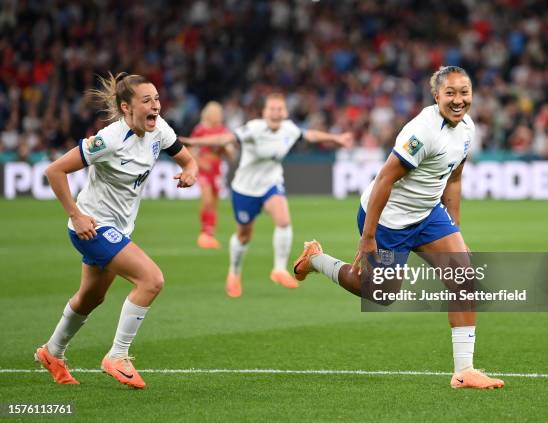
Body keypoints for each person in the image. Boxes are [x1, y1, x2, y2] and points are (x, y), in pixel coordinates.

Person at [294, 66, 505, 389]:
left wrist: (455, 232)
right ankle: (316, 260)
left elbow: (455, 177)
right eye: (450, 93)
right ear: (437, 96)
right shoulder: (422, 132)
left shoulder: (467, 129)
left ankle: (465, 372)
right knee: (379, 293)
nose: (458, 99)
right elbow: (384, 180)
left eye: (464, 92)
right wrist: (368, 238)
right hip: (389, 220)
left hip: (428, 215)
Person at [36, 72, 198, 389]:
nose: (156, 106)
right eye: (147, 100)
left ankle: (52, 352)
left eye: (157, 99)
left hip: (119, 228)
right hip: (92, 227)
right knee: (151, 280)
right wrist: (76, 215)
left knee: (91, 297)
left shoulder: (159, 129)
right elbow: (54, 170)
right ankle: (118, 355)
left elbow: (187, 160)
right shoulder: (109, 139)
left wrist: (190, 172)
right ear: (126, 107)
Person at [181, 93, 352, 298]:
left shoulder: (289, 129)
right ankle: (234, 273)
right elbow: (225, 138)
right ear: (265, 112)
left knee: (283, 221)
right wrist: (195, 141)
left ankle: (278, 269)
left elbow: (312, 135)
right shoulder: (254, 128)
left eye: (279, 109)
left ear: (285, 112)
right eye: (272, 109)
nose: (276, 112)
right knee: (244, 235)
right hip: (245, 188)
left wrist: (336, 138)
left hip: (271, 183)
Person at [189, 101, 234, 249]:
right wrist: (200, 163)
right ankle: (204, 233)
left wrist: (226, 150)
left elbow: (231, 154)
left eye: (219, 113)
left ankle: (210, 234)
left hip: (216, 169)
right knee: (207, 200)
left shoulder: (223, 130)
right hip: (204, 170)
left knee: (214, 203)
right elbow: (190, 150)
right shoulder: (200, 130)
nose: (218, 116)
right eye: (215, 113)